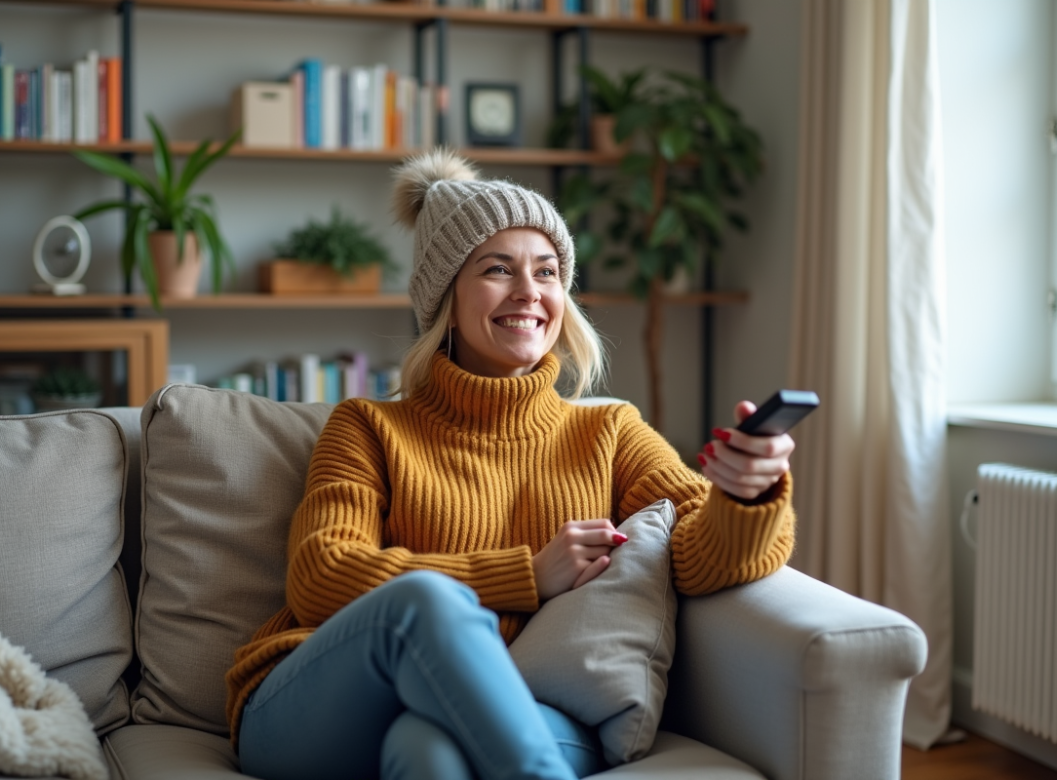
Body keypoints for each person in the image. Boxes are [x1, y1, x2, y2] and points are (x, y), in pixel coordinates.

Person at [225, 149, 797, 780]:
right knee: (425, 602)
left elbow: (700, 556)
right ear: (445, 295)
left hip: (522, 705)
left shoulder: (609, 430)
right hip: (319, 704)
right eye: (498, 269)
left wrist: (747, 496)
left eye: (548, 272)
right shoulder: (368, 427)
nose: (530, 292)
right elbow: (321, 577)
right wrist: (526, 574)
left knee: (429, 753)